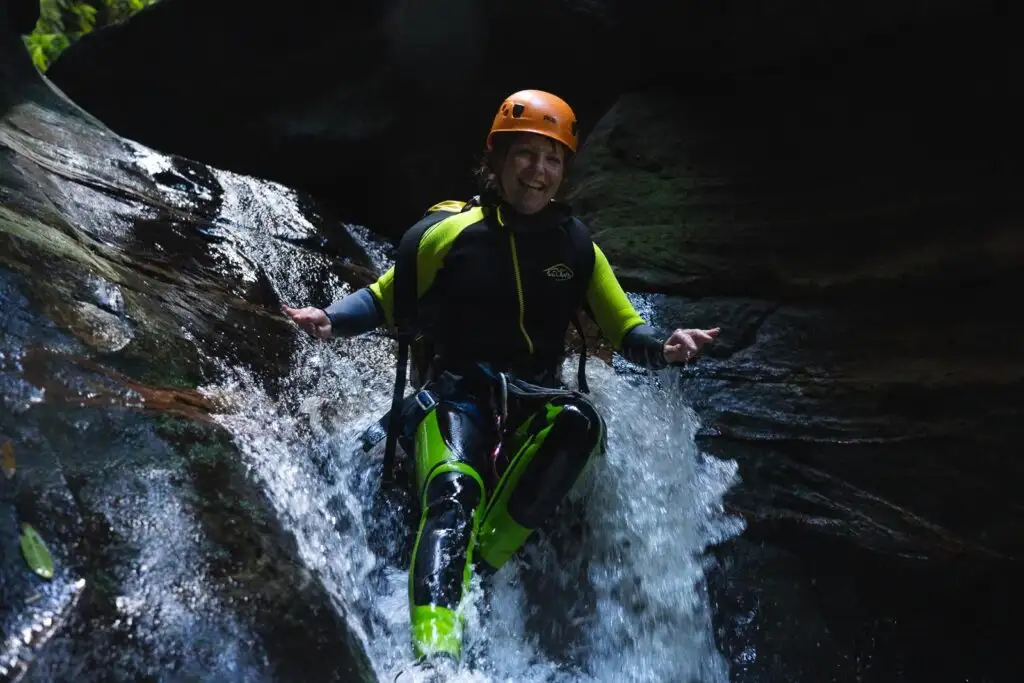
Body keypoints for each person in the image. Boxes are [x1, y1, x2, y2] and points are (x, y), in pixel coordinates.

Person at [283, 89, 720, 676]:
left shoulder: (575, 245)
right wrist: (331, 319)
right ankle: (435, 657)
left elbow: (625, 328)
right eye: (526, 155)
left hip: (534, 399)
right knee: (454, 494)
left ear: (564, 171)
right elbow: (385, 298)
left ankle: (480, 570)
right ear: (498, 159)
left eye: (553, 159)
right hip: (458, 396)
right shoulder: (448, 235)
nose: (538, 172)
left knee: (581, 421)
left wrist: (665, 348)